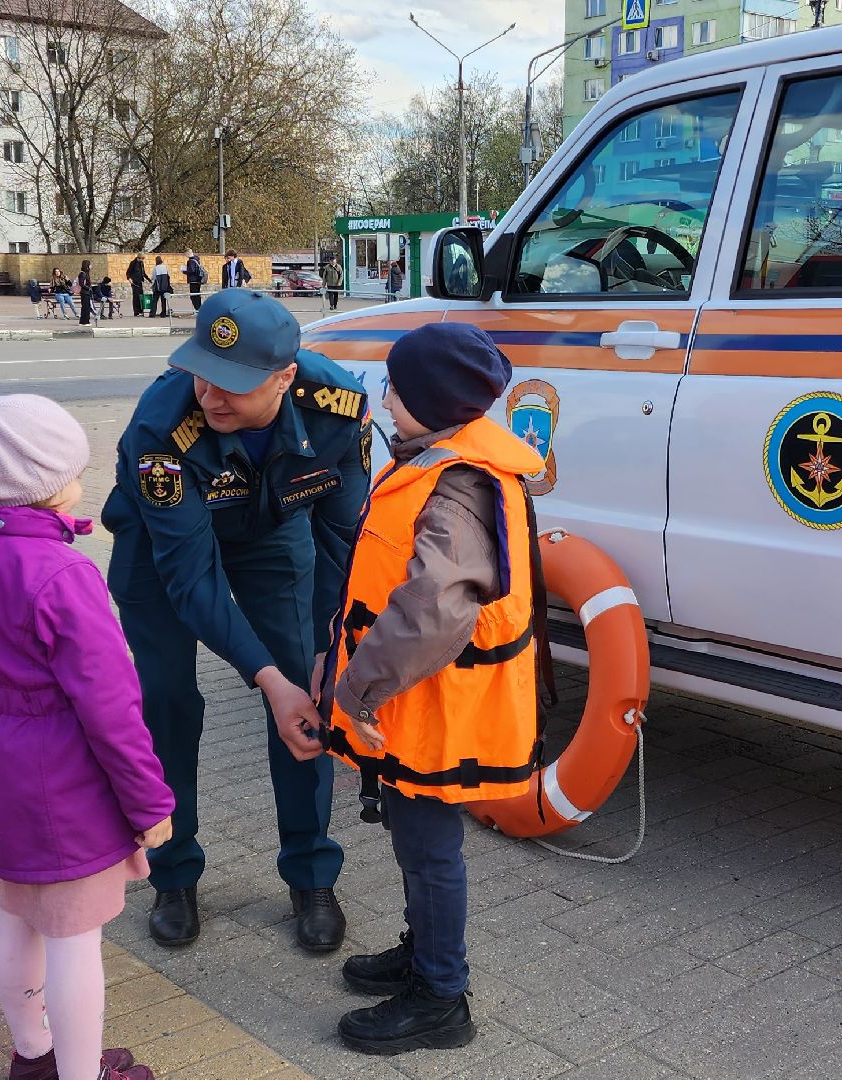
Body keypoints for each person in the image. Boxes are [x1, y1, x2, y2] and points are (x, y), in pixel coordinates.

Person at [99, 288, 371, 955]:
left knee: (308, 695)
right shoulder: (160, 428)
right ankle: (173, 873)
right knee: (168, 702)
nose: (212, 396)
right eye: (203, 374)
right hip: (160, 551)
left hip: (271, 536)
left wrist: (328, 645)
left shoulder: (338, 407)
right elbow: (192, 581)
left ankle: (311, 873)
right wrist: (265, 679)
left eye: (234, 385)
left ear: (285, 376)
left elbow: (343, 539)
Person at [0, 395, 173, 1080]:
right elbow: (111, 705)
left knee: (18, 911)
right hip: (63, 771)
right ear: (44, 481)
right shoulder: (62, 573)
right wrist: (149, 802)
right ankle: (79, 1072)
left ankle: (34, 1055)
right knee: (74, 936)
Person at [323, 323, 536, 1055]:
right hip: (417, 697)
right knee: (417, 842)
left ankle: (442, 996)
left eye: (396, 388)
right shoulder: (442, 460)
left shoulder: (454, 486)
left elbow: (432, 611)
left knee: (428, 850)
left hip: (433, 705)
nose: (384, 399)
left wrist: (357, 691)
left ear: (434, 400)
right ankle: (425, 954)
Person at [76, 259, 94, 326]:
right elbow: (81, 284)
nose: (91, 266)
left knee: (87, 307)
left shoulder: (86, 273)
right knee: (85, 307)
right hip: (84, 293)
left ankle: (86, 321)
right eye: (90, 264)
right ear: (87, 265)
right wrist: (88, 288)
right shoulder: (83, 274)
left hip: (87, 292)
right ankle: (83, 322)